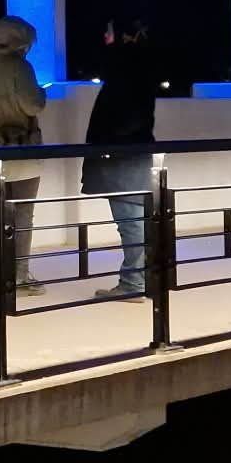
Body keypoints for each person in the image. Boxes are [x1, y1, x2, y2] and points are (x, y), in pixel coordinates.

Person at [81, 18, 159, 299]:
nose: (105, 37)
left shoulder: (126, 69)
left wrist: (107, 141)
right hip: (130, 155)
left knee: (131, 221)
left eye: (110, 32)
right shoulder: (137, 66)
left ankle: (134, 282)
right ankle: (142, 279)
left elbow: (127, 117)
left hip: (122, 157)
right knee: (136, 221)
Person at [0, 15, 48, 284]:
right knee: (23, 215)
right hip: (24, 153)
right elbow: (33, 106)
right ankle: (18, 276)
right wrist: (42, 94)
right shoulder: (21, 67)